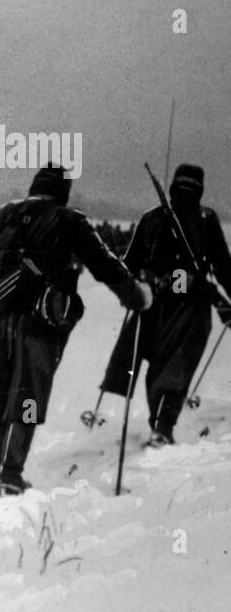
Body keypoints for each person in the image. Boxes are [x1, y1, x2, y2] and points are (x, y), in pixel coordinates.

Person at [0, 164, 150, 495]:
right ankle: (11, 473)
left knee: (2, 393)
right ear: (64, 192)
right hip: (38, 323)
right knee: (28, 396)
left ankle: (7, 466)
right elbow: (105, 265)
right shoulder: (70, 220)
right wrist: (135, 296)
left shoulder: (4, 214)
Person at [98, 164, 231, 445]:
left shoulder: (154, 218)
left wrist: (136, 290)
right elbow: (223, 267)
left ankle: (161, 425)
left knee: (163, 369)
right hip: (186, 308)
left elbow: (128, 267)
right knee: (173, 370)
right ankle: (162, 426)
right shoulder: (203, 219)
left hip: (159, 308)